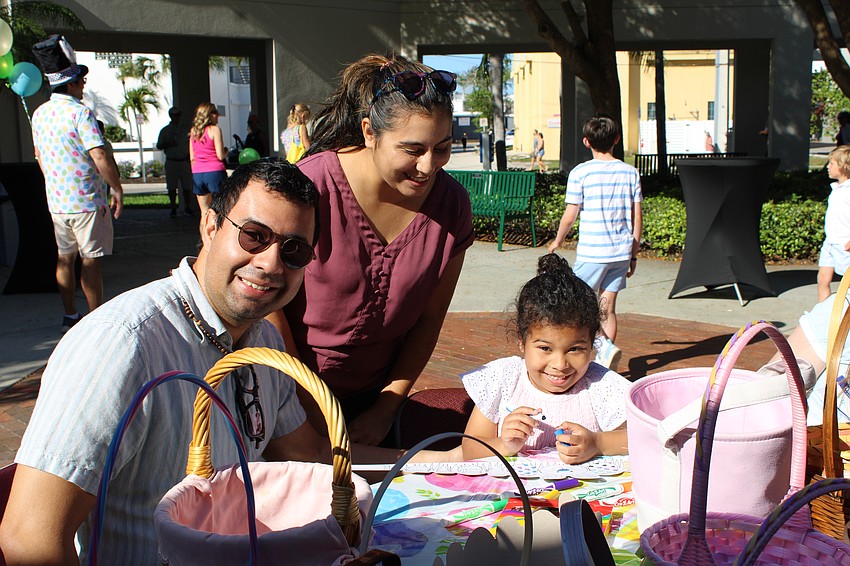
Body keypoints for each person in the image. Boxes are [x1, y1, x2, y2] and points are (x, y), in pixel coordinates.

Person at [0, 159, 446, 564]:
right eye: (254, 236)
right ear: (210, 225)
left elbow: (311, 455)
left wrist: (447, 459)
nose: (271, 263)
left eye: (293, 251)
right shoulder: (122, 344)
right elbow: (30, 538)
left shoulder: (263, 342)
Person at [268, 53, 473, 446]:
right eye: (412, 150)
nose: (429, 167)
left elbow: (429, 321)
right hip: (285, 395)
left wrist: (386, 408)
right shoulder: (311, 187)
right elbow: (270, 309)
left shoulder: (452, 205)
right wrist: (308, 409)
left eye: (443, 147)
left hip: (373, 405)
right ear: (368, 132)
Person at [460, 253, 630, 464]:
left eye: (575, 349)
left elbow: (639, 438)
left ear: (592, 343)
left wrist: (598, 443)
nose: (560, 365)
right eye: (545, 348)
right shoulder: (503, 380)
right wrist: (504, 444)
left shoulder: (599, 385)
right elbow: (470, 449)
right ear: (522, 340)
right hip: (512, 495)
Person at [30, 35, 124, 334]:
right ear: (69, 84)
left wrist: (54, 182)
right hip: (85, 200)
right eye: (80, 80)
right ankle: (94, 319)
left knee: (64, 257)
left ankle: (69, 314)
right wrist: (117, 187)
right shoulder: (80, 113)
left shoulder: (40, 113)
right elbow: (98, 154)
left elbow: (39, 156)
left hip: (57, 202)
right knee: (90, 261)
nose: (83, 85)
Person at [547, 114, 642, 372]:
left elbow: (571, 213)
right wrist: (633, 255)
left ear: (586, 141)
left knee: (579, 305)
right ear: (617, 139)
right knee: (607, 308)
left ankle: (604, 348)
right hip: (621, 251)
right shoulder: (630, 172)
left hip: (593, 252)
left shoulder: (581, 173)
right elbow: (637, 219)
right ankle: (605, 362)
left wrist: (557, 240)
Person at [817, 145, 850, 302]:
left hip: (844, 245)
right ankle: (824, 316)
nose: (828, 167)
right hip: (830, 243)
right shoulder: (836, 188)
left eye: (832, 163)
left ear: (843, 166)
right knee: (823, 279)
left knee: (847, 285)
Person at [189, 102, 228, 218]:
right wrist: (226, 151)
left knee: (204, 213)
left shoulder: (193, 132)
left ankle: (204, 236)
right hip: (215, 172)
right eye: (215, 112)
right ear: (209, 115)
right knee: (221, 210)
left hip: (198, 173)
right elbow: (220, 155)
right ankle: (219, 235)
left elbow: (192, 158)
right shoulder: (215, 130)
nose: (218, 115)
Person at [156, 106, 195, 217]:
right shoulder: (165, 130)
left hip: (183, 161)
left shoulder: (185, 129)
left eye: (179, 115)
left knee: (187, 185)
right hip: (171, 161)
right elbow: (159, 145)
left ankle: (187, 206)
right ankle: (173, 207)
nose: (177, 117)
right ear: (171, 116)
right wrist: (168, 144)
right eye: (175, 115)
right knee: (172, 186)